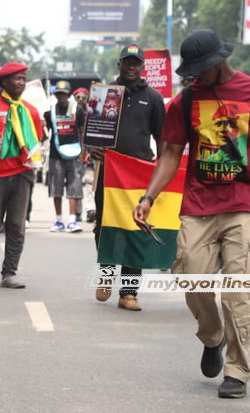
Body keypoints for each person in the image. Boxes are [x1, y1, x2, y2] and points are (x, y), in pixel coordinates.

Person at [134, 29, 250, 399]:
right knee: (191, 277)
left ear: (218, 61)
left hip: (243, 205)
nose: (195, 76)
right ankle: (212, 337)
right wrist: (148, 196)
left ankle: (237, 371)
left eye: (200, 69)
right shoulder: (186, 99)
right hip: (198, 205)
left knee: (238, 291)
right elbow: (172, 153)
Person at [91, 44, 165, 311]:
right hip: (108, 173)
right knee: (104, 225)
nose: (132, 67)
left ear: (142, 67)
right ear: (119, 64)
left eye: (136, 63)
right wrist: (93, 147)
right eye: (127, 62)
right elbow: (93, 133)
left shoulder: (153, 98)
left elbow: (162, 139)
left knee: (137, 229)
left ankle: (129, 293)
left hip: (139, 174)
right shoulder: (104, 93)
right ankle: (107, 273)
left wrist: (161, 168)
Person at [0, 62, 44, 288]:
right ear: (4, 82)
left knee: (16, 224)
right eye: (16, 79)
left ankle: (10, 273)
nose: (21, 83)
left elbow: (37, 141)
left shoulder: (30, 111)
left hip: (22, 174)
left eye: (24, 79)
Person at [44, 80, 85, 233]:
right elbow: (44, 134)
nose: (62, 97)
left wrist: (83, 152)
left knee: (74, 187)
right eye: (59, 94)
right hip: (56, 155)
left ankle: (73, 220)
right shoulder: (50, 112)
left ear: (68, 95)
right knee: (56, 187)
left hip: (74, 155)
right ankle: (59, 220)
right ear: (55, 95)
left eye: (64, 94)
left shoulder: (78, 110)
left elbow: (81, 132)